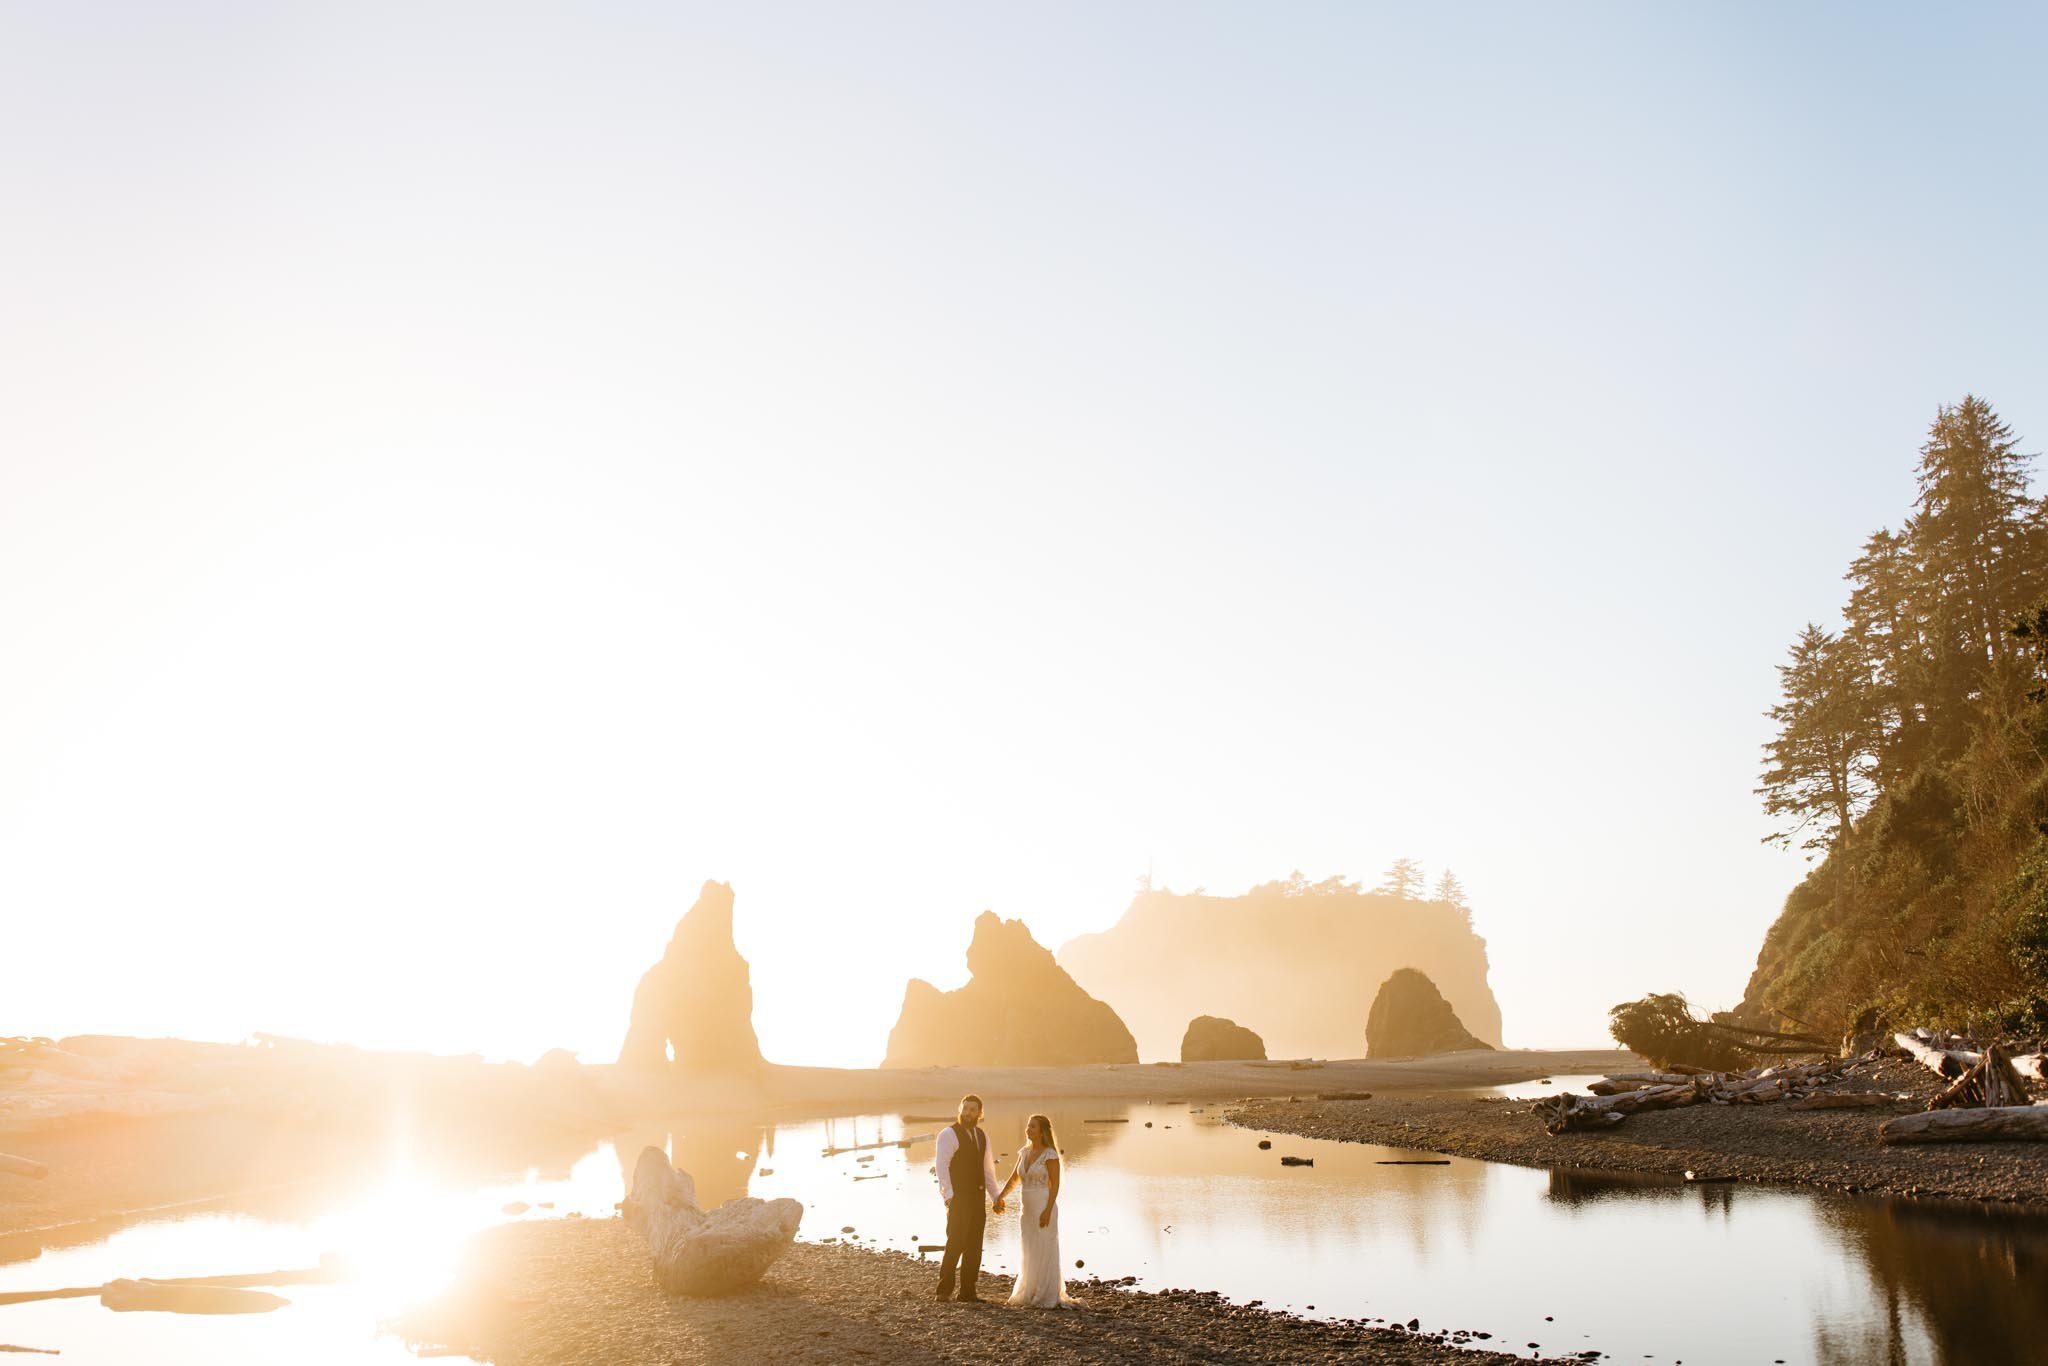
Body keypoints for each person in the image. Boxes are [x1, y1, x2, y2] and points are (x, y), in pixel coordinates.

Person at [996, 1113, 1077, 1308]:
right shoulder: (1024, 1152)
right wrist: (1000, 1196)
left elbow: (1055, 1184)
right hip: (1027, 1209)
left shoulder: (1050, 1154)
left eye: (1032, 1126)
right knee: (1030, 1248)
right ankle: (1029, 1289)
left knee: (1044, 1248)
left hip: (1043, 1205)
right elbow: (1014, 1178)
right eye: (1028, 1126)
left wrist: (1048, 1209)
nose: (1028, 1129)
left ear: (1042, 1132)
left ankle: (1045, 1293)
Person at [932, 1093, 1003, 1302]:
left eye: (973, 1109)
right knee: (955, 1242)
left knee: (974, 1243)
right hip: (958, 1198)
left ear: (980, 1113)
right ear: (960, 1109)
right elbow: (941, 1166)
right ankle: (943, 1291)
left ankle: (967, 1292)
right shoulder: (948, 1134)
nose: (968, 1112)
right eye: (965, 1108)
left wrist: (996, 1196)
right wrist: (948, 1196)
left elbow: (988, 1170)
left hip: (978, 1197)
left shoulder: (982, 1136)